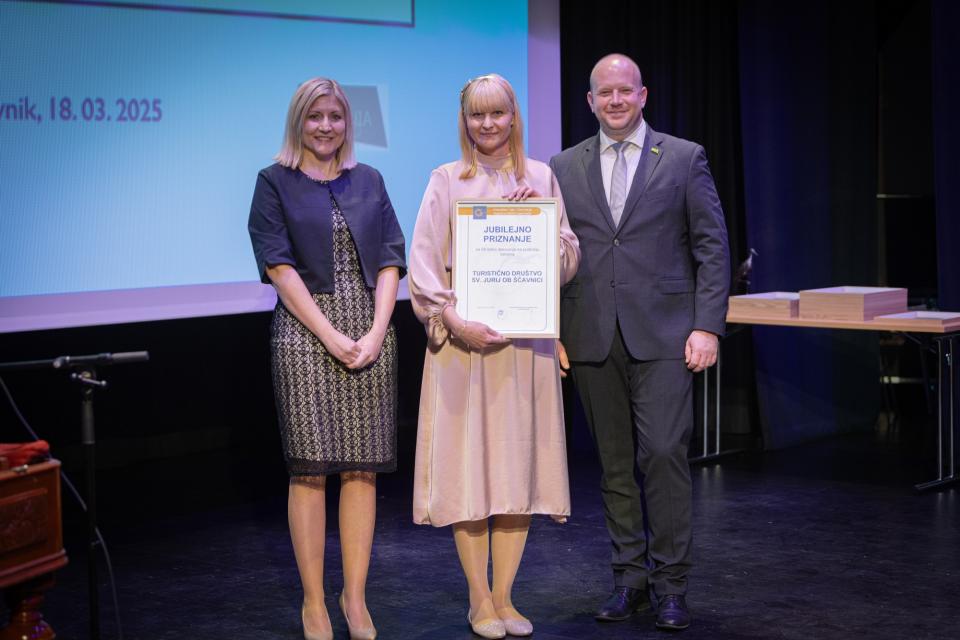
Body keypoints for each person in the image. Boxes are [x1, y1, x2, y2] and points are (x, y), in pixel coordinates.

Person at [549, 54, 730, 632]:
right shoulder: (563, 165)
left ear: (643, 95)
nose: (615, 100)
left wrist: (708, 325)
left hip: (667, 334)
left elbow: (712, 246)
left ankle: (671, 585)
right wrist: (552, 332)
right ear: (590, 101)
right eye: (604, 93)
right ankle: (629, 580)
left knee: (664, 455)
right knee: (614, 465)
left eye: (625, 91)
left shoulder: (683, 157)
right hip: (591, 334)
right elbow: (552, 254)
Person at [408, 73, 580, 639]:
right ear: (465, 121)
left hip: (524, 350)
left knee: (515, 469)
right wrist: (455, 321)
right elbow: (423, 265)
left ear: (513, 116)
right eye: (477, 115)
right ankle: (478, 599)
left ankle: (505, 596)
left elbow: (568, 260)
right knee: (470, 472)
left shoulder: (541, 177)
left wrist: (542, 223)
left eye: (497, 113)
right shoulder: (446, 179)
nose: (487, 124)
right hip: (464, 348)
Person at [248, 77, 406, 640]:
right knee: (311, 470)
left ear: (347, 123)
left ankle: (354, 598)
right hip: (305, 338)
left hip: (370, 333)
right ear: (299, 121)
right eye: (315, 116)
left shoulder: (370, 179)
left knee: (362, 469)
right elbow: (278, 266)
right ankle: (314, 601)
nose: (325, 126)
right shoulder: (273, 182)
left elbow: (391, 259)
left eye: (335, 116)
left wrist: (376, 330)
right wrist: (331, 336)